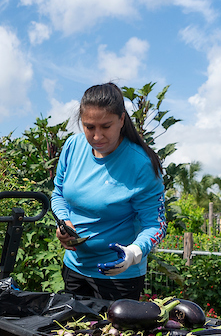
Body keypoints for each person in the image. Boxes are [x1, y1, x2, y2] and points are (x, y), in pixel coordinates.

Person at [51, 82, 166, 301]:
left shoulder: (141, 164)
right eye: (89, 127)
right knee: (73, 333)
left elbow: (156, 225)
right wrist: (64, 223)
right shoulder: (73, 147)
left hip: (118, 276)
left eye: (106, 126)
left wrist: (132, 254)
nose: (96, 136)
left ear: (122, 120)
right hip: (75, 268)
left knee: (113, 335)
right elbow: (58, 195)